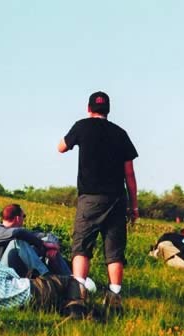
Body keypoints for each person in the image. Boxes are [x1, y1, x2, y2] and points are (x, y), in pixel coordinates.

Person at [57, 91, 138, 311]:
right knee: (114, 250)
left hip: (90, 198)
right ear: (108, 110)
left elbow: (61, 147)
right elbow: (129, 174)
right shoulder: (121, 133)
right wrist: (134, 205)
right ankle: (115, 298)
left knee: (82, 246)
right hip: (117, 199)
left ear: (88, 108)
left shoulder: (82, 126)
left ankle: (77, 297)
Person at [0, 204, 71, 277]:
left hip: (12, 270)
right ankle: (45, 277)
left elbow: (46, 235)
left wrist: (52, 246)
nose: (24, 219)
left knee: (46, 244)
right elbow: (19, 233)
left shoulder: (20, 232)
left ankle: (70, 280)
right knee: (17, 242)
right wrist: (43, 244)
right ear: (17, 218)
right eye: (23, 216)